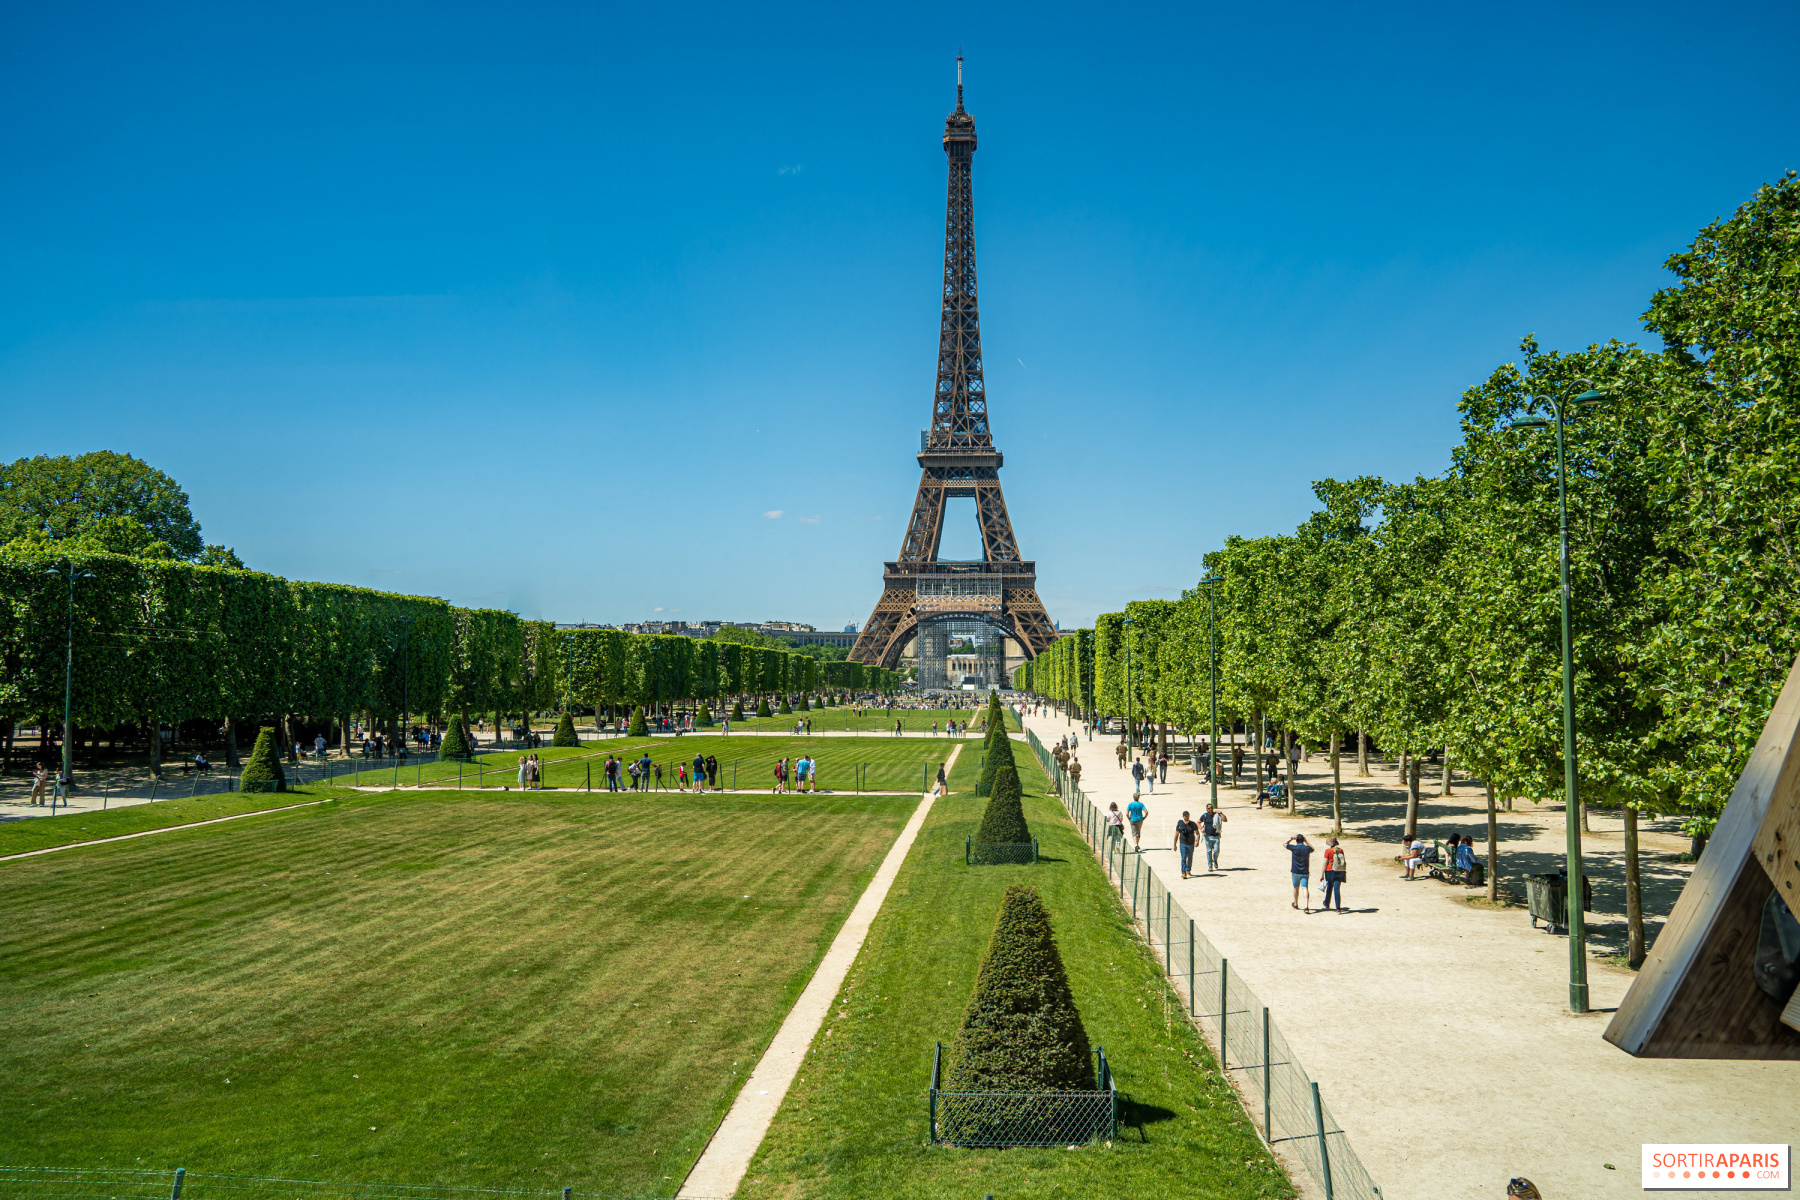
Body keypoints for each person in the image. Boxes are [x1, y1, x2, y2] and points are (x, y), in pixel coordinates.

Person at [1286, 834, 1314, 911]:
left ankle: (1296, 903)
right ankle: (1306, 906)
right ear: (1303, 840)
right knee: (1305, 888)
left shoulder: (1294, 848)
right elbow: (1313, 848)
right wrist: (1306, 841)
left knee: (1296, 887)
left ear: (1296, 840)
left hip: (1295, 871)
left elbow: (1284, 844)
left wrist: (1291, 838)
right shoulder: (1307, 848)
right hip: (1305, 871)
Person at [1321, 836, 1346, 912]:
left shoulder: (1328, 851)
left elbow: (1325, 863)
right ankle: (1338, 908)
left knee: (1329, 887)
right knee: (1337, 889)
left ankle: (1327, 902)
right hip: (1339, 871)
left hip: (1329, 871)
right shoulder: (1341, 850)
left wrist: (1322, 874)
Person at [1199, 802, 1226, 870]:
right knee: (1209, 851)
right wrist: (1201, 829)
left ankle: (1215, 860)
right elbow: (1198, 822)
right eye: (1209, 808)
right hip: (1207, 836)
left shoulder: (1216, 815)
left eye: (1211, 808)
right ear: (1206, 809)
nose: (1210, 809)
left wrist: (1220, 813)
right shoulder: (1204, 816)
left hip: (1216, 836)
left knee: (1216, 850)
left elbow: (1225, 820)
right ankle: (1210, 865)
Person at [1174, 810, 1199, 878]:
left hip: (1191, 843)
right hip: (1183, 843)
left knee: (1190, 857)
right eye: (1185, 816)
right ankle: (1183, 872)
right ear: (1183, 816)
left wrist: (1197, 841)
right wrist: (1174, 844)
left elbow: (1197, 833)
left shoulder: (1193, 824)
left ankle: (1188, 870)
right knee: (1184, 858)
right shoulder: (1180, 823)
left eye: (1187, 816)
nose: (1186, 817)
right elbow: (1176, 834)